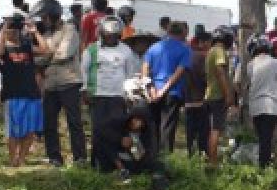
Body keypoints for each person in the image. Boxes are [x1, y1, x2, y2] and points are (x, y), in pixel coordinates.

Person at [93, 104, 175, 190]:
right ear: (130, 118)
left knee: (158, 165)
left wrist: (142, 155)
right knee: (101, 142)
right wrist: (119, 139)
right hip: (114, 160)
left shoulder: (148, 132)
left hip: (134, 161)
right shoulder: (119, 122)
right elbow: (99, 131)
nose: (136, 124)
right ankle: (122, 172)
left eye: (140, 121)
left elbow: (152, 153)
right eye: (135, 120)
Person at [33, 0, 87, 167]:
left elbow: (63, 54)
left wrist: (46, 55)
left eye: (45, 17)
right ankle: (54, 157)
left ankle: (80, 158)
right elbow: (40, 59)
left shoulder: (70, 30)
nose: (43, 21)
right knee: (49, 122)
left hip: (69, 81)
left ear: (53, 15)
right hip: (50, 84)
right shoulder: (46, 35)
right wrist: (44, 55)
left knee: (74, 122)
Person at [82, 15, 140, 165]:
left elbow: (130, 74)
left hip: (118, 96)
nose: (110, 38)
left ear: (119, 35)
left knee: (116, 129)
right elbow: (83, 71)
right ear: (101, 34)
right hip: (98, 95)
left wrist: (130, 94)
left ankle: (115, 162)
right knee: (99, 130)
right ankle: (97, 163)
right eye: (107, 36)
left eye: (113, 36)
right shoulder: (92, 50)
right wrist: (84, 90)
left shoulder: (126, 51)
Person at [0, 13, 50, 167]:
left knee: (30, 128)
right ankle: (13, 159)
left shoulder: (27, 46)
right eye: (9, 30)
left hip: (31, 92)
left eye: (14, 29)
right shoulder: (4, 49)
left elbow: (45, 49)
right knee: (13, 130)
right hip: (12, 94)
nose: (12, 32)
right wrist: (4, 28)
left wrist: (34, 31)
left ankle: (22, 158)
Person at [141, 21, 192, 153]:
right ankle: (165, 160)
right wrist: (164, 90)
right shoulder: (185, 49)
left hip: (152, 91)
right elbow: (178, 73)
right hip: (172, 92)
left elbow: (145, 68)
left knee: (153, 125)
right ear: (183, 33)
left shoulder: (153, 47)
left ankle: (151, 156)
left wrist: (151, 88)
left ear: (168, 32)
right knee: (167, 127)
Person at [246, 36, 277, 168]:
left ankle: (264, 164)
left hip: (255, 105)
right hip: (271, 105)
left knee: (262, 136)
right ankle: (264, 166)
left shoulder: (250, 65)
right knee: (266, 137)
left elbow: (250, 83)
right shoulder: (276, 63)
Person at [205, 26, 236, 165]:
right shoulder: (219, 51)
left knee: (213, 128)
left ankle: (211, 159)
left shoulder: (211, 50)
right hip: (217, 95)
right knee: (216, 129)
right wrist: (228, 94)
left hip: (210, 94)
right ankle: (213, 162)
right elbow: (220, 72)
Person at [184, 29, 211, 155]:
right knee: (203, 133)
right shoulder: (204, 57)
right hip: (201, 100)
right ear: (203, 42)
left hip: (188, 101)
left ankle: (191, 155)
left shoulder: (188, 55)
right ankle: (202, 155)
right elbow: (207, 78)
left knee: (190, 132)